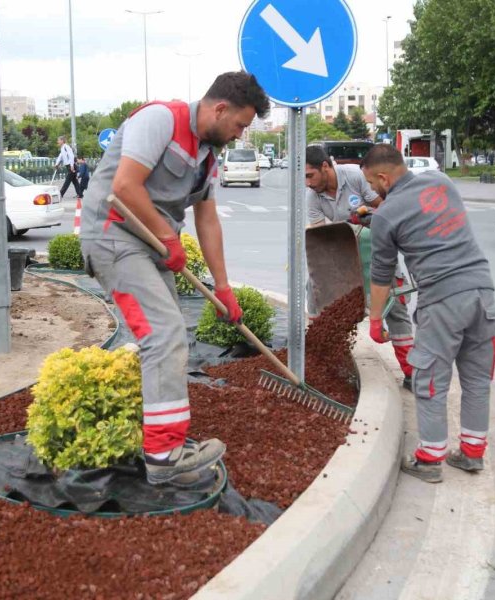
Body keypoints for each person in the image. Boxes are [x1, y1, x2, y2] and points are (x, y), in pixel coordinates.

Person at [79, 71, 270, 487]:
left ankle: (158, 440)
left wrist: (223, 288)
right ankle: (164, 455)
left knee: (168, 338)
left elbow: (208, 220)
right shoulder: (160, 120)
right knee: (162, 335)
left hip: (152, 246)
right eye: (240, 125)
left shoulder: (208, 156)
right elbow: (125, 186)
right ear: (220, 109)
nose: (240, 135)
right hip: (113, 236)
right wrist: (168, 236)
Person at [361, 144, 495, 484]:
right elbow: (429, 219)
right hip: (483, 292)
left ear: (383, 177)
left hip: (443, 301)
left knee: (430, 381)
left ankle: (429, 459)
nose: (372, 190)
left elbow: (381, 275)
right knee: (477, 379)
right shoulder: (441, 181)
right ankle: (472, 453)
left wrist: (376, 320)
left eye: (372, 183)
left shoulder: (385, 216)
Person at [304, 145, 415, 390]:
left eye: (310, 176)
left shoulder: (356, 176)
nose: (307, 183)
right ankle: (323, 366)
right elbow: (322, 237)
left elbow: (385, 204)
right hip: (346, 259)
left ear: (325, 166)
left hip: (378, 253)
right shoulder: (313, 197)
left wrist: (370, 218)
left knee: (396, 309)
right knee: (314, 291)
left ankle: (411, 373)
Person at [54, 135, 83, 201]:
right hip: (68, 166)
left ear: (62, 141)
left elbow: (71, 156)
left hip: (71, 166)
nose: (57, 141)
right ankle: (80, 194)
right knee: (75, 181)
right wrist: (56, 164)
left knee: (67, 181)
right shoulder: (62, 148)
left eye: (58, 140)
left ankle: (61, 194)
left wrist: (72, 166)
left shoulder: (66, 147)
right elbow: (60, 157)